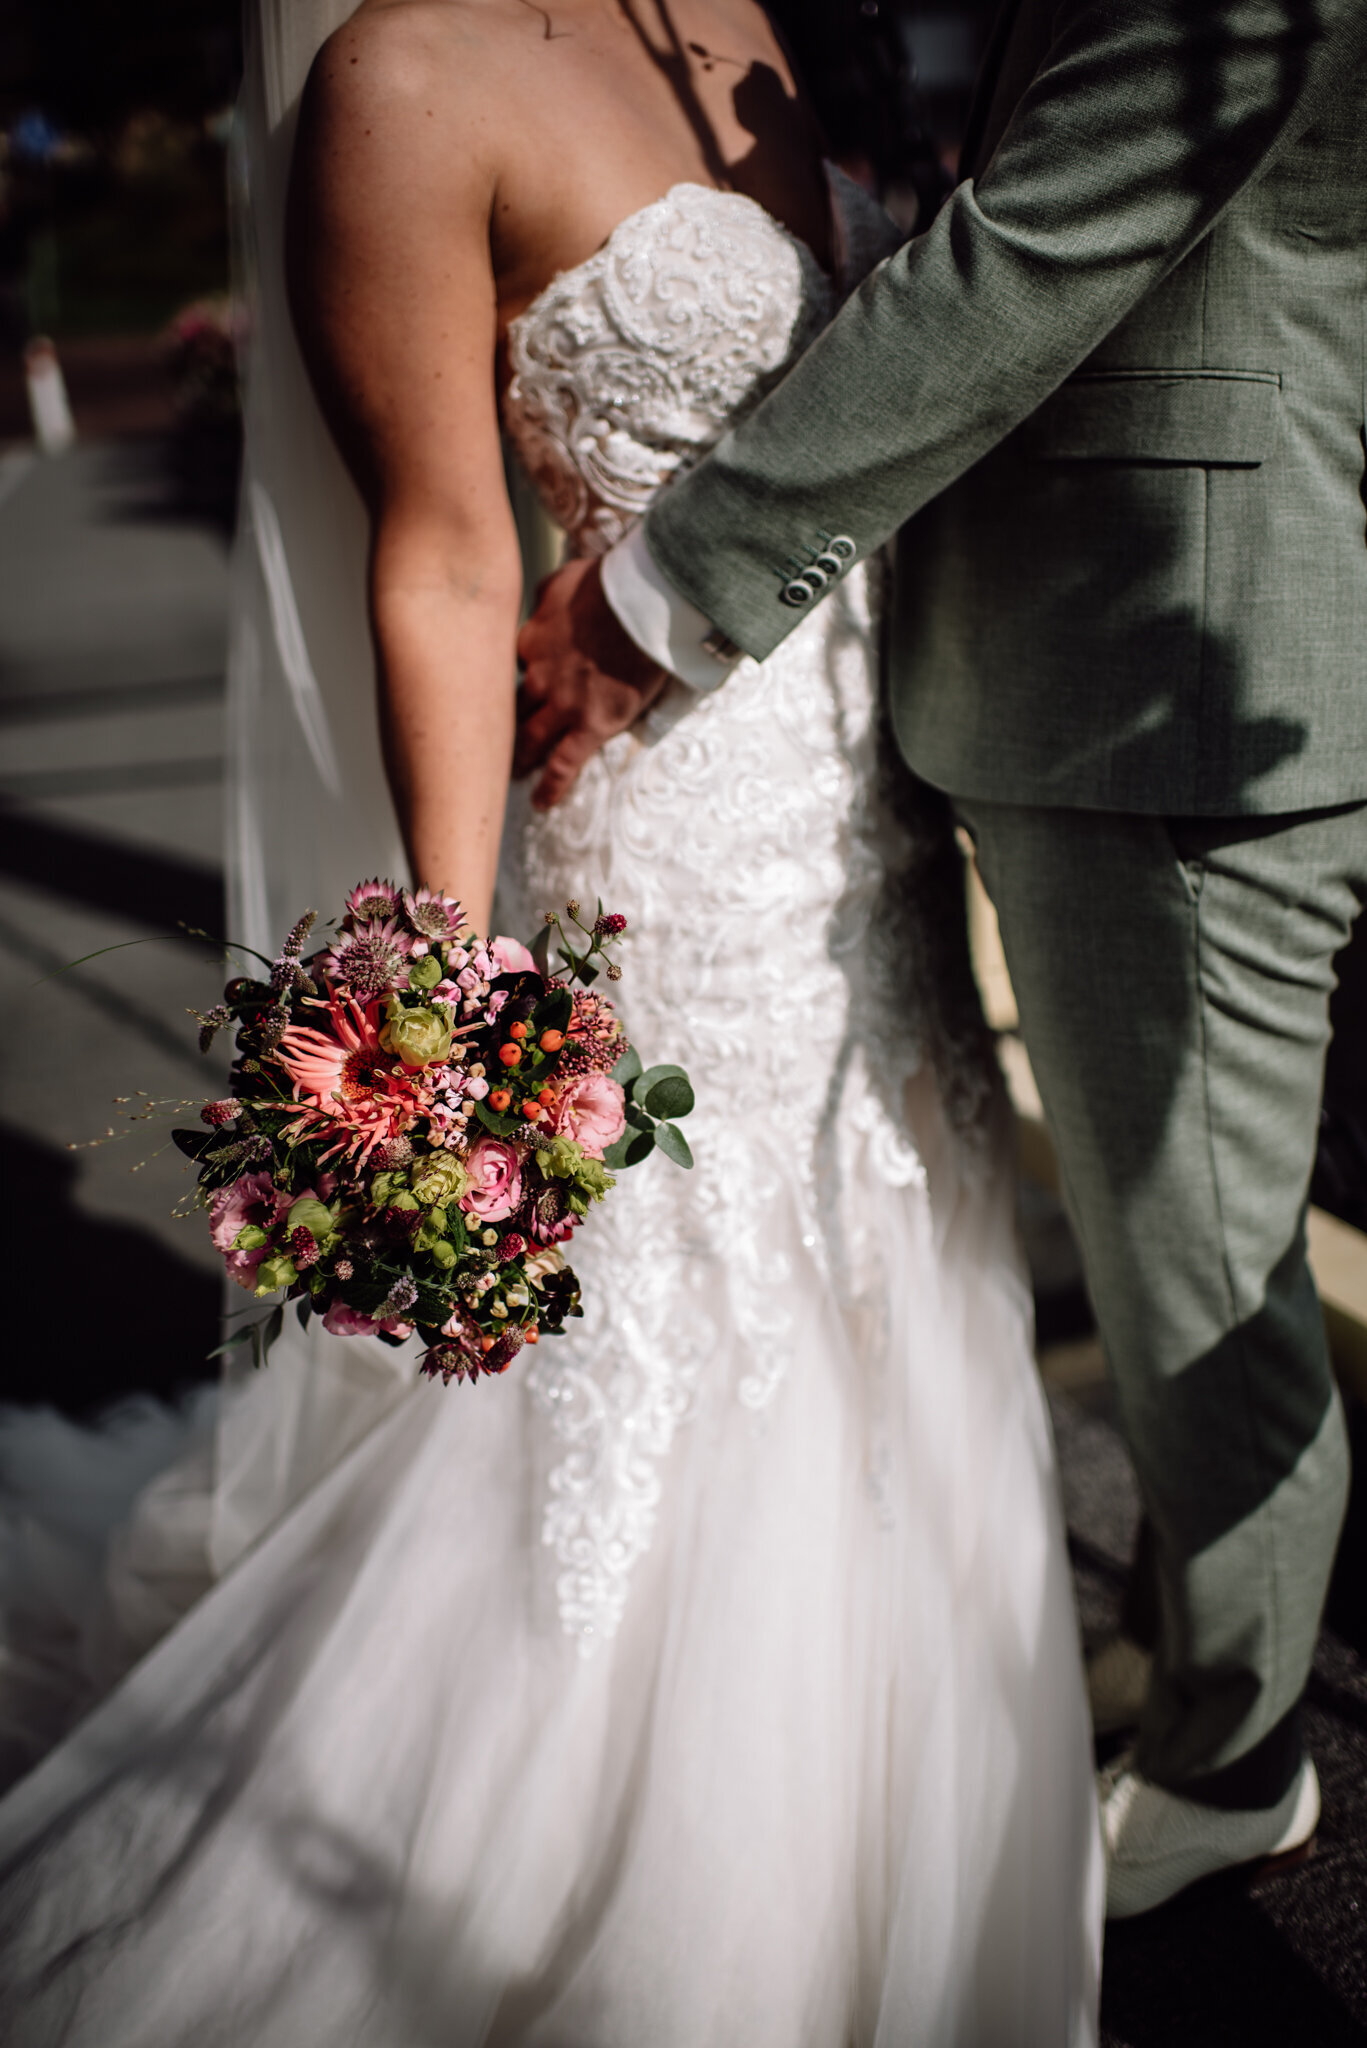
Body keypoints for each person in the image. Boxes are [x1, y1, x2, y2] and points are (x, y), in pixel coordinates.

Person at [0, 0, 1102, 2040]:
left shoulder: (747, 18)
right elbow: (435, 552)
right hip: (667, 845)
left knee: (895, 1257)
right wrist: (443, 981)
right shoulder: (400, 79)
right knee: (676, 1333)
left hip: (871, 806)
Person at [515, 0, 1367, 1920]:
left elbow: (1052, 236)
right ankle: (1203, 1651)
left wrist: (665, 588)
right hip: (1092, 673)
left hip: (1169, 686)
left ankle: (1239, 1759)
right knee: (1187, 1246)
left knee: (1193, 1263)